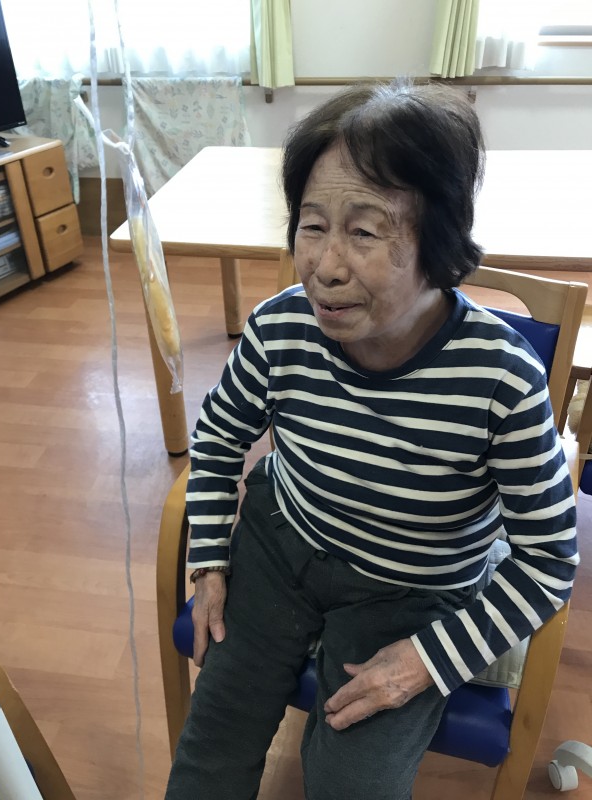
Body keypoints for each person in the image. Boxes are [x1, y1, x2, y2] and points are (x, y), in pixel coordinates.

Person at [164, 81, 578, 800]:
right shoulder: (280, 326)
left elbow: (547, 561)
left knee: (353, 784)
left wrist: (427, 660)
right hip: (279, 546)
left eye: (364, 232)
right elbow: (220, 434)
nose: (326, 267)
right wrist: (208, 562)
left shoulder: (501, 378)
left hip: (411, 590)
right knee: (212, 752)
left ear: (438, 242)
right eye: (312, 225)